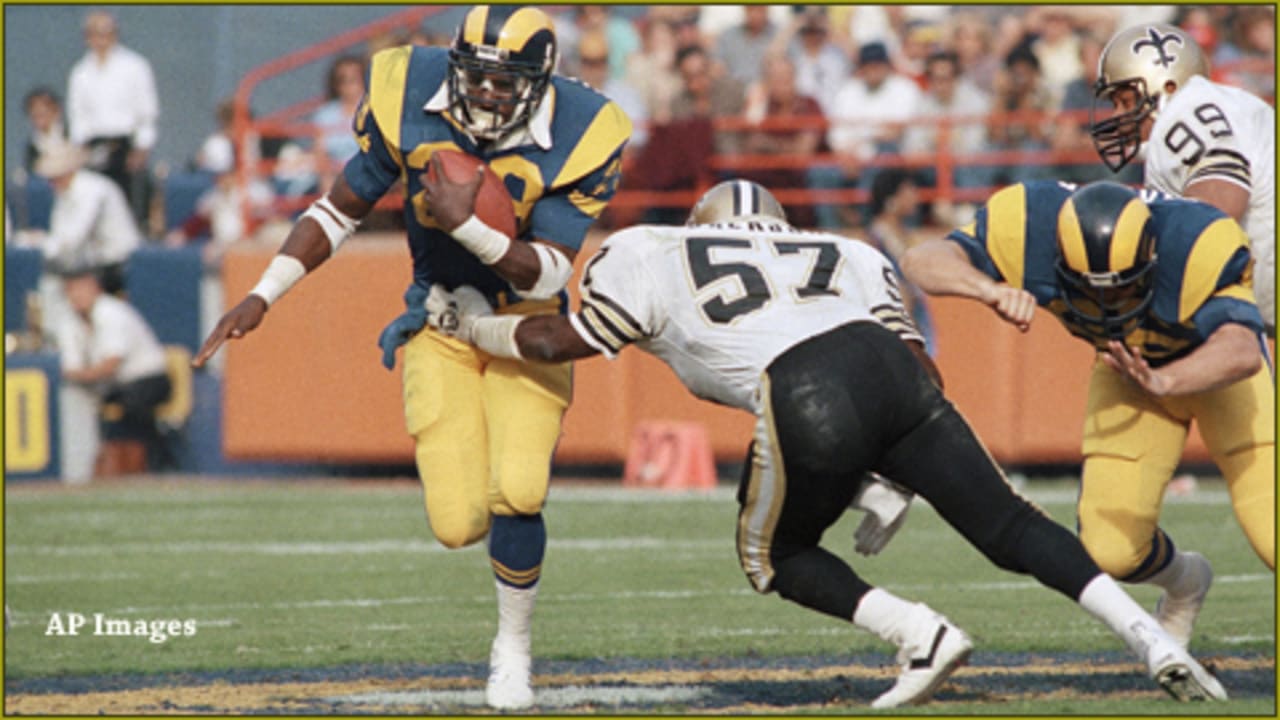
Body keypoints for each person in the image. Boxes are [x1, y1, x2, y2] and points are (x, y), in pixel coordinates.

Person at [419, 179, 1227, 707]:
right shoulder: (847, 251)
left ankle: (921, 635)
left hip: (802, 388)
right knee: (1009, 524)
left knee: (774, 557)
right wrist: (894, 476)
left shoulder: (648, 249)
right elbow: (916, 369)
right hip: (889, 375)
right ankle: (1149, 637)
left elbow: (561, 343)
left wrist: (469, 327)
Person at [191, 6, 631, 711]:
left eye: (503, 81)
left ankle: (512, 649)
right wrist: (263, 295)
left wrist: (467, 226)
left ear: (541, 82)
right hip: (443, 319)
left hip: (524, 327)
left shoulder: (584, 128)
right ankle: (504, 545)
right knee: (458, 523)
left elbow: (549, 273)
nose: (486, 93)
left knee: (517, 488)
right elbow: (338, 210)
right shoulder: (407, 91)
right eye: (476, 77)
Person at [901, 179, 1274, 651]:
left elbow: (1241, 350)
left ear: (1152, 257)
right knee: (1111, 550)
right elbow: (920, 260)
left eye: (1122, 290)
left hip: (1216, 375)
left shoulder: (1198, 241)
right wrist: (985, 288)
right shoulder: (1029, 221)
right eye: (1089, 289)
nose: (1106, 305)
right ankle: (1186, 581)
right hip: (1126, 371)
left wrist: (1168, 381)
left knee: (1272, 534)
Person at [1090, 23, 1274, 337]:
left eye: (1125, 100)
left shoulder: (1185, 115)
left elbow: (1217, 210)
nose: (1116, 117)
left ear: (1166, 87)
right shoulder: (1224, 102)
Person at [55, 268, 171, 474]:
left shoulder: (110, 311)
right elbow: (70, 365)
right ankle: (86, 467)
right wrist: (79, 375)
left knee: (132, 406)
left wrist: (81, 375)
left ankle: (156, 463)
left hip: (150, 378)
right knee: (81, 403)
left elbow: (112, 363)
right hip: (114, 385)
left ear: (95, 289)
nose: (76, 296)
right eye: (71, 290)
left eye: (81, 289)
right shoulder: (70, 320)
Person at [66, 10, 160, 222]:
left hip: (125, 145)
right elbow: (77, 115)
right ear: (87, 37)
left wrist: (142, 148)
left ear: (115, 34)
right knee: (92, 207)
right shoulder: (80, 72)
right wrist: (78, 150)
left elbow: (147, 112)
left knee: (128, 208)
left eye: (106, 33)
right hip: (92, 147)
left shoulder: (135, 66)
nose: (100, 40)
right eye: (95, 34)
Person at [25, 143, 142, 295]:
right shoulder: (63, 193)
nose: (51, 183)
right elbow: (61, 236)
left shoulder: (92, 190)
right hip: (92, 263)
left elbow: (74, 240)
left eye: (54, 177)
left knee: (55, 285)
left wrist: (40, 242)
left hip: (118, 264)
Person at [22, 87, 68, 173]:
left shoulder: (71, 136)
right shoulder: (33, 148)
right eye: (35, 115)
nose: (40, 120)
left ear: (57, 111)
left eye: (43, 113)